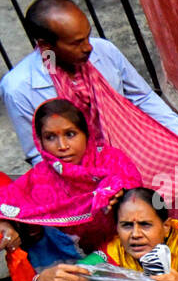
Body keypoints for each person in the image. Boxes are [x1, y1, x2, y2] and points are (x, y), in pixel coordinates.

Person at [0, 0, 178, 169]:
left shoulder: (104, 50)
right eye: (77, 43)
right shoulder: (18, 88)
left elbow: (143, 97)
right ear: (46, 46)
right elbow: (37, 155)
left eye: (87, 36)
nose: (88, 47)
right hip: (77, 178)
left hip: (132, 157)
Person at [33, 187, 178, 281]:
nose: (135, 235)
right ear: (117, 229)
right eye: (126, 225)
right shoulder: (111, 253)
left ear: (166, 227)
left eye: (145, 225)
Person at [0, 98, 139, 254]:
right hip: (79, 262)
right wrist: (6, 224)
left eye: (70, 134)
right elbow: (8, 203)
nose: (62, 146)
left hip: (130, 249)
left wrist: (121, 193)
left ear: (86, 133)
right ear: (39, 141)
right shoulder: (39, 178)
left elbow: (138, 197)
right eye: (50, 137)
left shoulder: (112, 160)